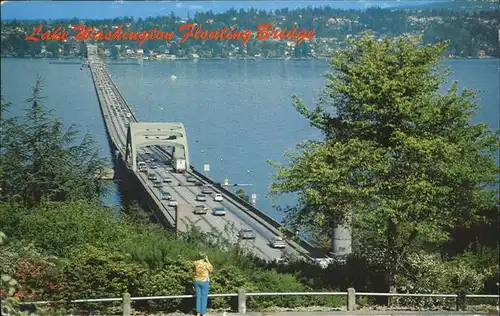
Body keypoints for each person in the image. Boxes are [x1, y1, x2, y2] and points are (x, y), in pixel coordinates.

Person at [193, 251, 213, 316]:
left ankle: (198, 312)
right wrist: (207, 260)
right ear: (204, 256)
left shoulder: (195, 263)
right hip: (204, 281)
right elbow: (211, 269)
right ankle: (203, 312)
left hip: (196, 281)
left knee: (198, 297)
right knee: (204, 297)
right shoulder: (205, 264)